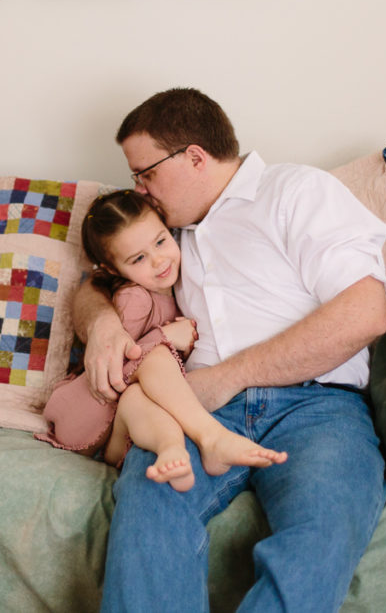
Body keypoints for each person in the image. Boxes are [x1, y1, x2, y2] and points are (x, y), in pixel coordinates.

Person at [74, 88, 386, 611]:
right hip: (195, 409)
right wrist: (104, 324)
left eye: (146, 173)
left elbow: (365, 312)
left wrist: (233, 375)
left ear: (195, 157)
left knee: (325, 525)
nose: (139, 190)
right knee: (152, 502)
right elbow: (97, 278)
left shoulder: (295, 191)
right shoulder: (166, 230)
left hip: (317, 407)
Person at [36, 190, 287, 492]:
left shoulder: (181, 282)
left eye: (160, 241)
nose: (158, 261)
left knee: (137, 398)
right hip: (86, 414)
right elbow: (119, 362)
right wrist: (164, 337)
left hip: (122, 432)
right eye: (139, 258)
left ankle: (172, 451)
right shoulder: (135, 299)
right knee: (155, 359)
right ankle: (211, 437)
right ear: (114, 270)